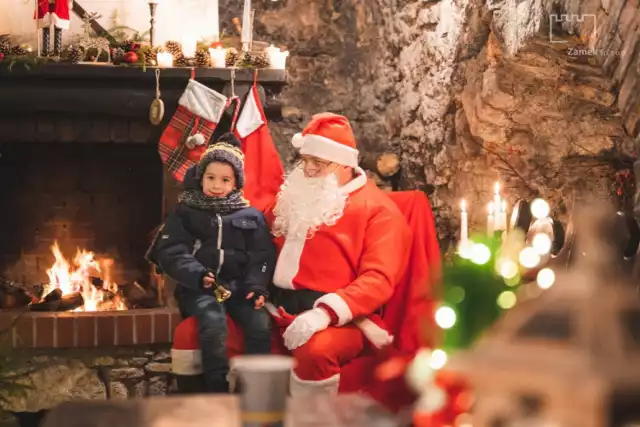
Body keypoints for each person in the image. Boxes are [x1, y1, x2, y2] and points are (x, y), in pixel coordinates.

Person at [265, 113, 412, 395]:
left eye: (317, 163)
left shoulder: (379, 212)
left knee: (314, 352)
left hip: (342, 319)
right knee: (200, 332)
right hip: (276, 308)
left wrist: (324, 314)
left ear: (345, 164)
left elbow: (378, 279)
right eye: (304, 160)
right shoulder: (293, 197)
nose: (307, 169)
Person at [148, 133, 275, 393]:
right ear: (201, 177)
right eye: (211, 178)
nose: (217, 185)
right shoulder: (187, 211)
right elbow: (171, 250)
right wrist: (197, 275)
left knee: (260, 323)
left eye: (225, 180)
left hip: (240, 287)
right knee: (213, 322)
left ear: (236, 183)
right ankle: (217, 387)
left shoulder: (250, 215)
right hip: (201, 287)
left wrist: (257, 286)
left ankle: (255, 388)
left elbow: (261, 255)